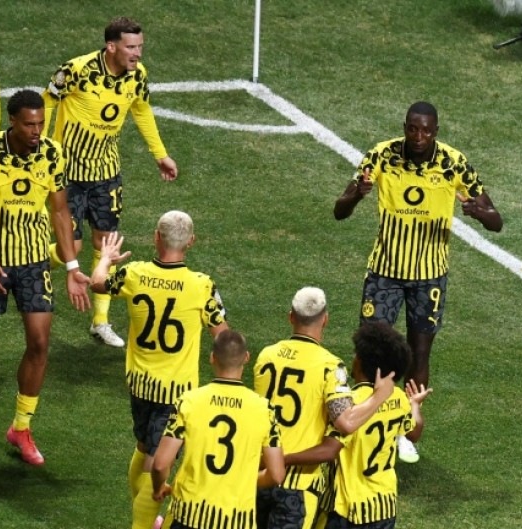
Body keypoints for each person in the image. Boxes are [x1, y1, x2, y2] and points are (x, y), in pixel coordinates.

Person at [333, 101, 502, 462]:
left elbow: (496, 221)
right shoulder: (381, 155)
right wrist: (354, 194)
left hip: (429, 276)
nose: (419, 136)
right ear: (405, 127)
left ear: (436, 132)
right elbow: (339, 211)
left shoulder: (454, 163)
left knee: (419, 352)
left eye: (426, 130)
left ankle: (405, 429)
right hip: (385, 271)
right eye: (413, 128)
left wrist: (477, 211)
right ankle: (361, 418)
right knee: (371, 349)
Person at [0, 90, 90, 466]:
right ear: (12, 121)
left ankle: (21, 426)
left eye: (40, 123)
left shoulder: (53, 153)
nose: (37, 130)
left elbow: (61, 211)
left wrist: (70, 268)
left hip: (34, 263)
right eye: (30, 124)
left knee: (39, 342)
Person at [43, 16, 179, 348]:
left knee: (107, 247)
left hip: (106, 173)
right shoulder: (76, 70)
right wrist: (43, 147)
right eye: (131, 48)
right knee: (69, 248)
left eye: (140, 47)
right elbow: (47, 101)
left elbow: (142, 111)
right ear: (111, 47)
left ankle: (100, 321)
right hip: (68, 174)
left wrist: (159, 154)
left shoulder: (138, 76)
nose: (137, 54)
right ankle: (28, 260)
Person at [91, 211, 227, 529]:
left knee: (143, 450)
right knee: (156, 468)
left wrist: (107, 258)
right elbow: (222, 336)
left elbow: (97, 283)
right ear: (191, 242)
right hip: (175, 394)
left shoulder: (134, 274)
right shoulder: (201, 285)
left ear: (156, 237)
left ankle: (149, 519)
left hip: (139, 385)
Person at [253, 287, 396, 529]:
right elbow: (346, 422)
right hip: (299, 486)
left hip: (257, 475)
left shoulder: (266, 356)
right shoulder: (330, 366)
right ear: (326, 320)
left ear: (290, 317)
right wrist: (379, 397)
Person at [151, 330, 286, 529]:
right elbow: (276, 474)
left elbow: (160, 465)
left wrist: (158, 487)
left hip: (189, 515)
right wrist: (246, 478)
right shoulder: (265, 410)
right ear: (246, 358)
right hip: (237, 521)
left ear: (212, 358)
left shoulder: (188, 402)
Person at [322, 322, 432, 529]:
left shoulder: (350, 405)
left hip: (348, 507)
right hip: (383, 507)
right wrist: (415, 405)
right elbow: (414, 433)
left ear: (362, 361)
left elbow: (330, 448)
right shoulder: (398, 398)